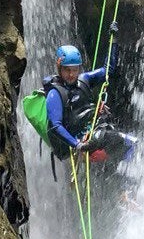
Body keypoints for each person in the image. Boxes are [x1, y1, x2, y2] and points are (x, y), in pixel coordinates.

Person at [44, 22, 137, 166]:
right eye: (67, 70)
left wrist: (113, 41)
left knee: (133, 147)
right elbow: (55, 126)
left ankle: (127, 181)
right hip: (83, 142)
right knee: (127, 144)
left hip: (96, 133)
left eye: (74, 69)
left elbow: (108, 69)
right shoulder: (54, 93)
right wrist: (77, 145)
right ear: (59, 68)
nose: (71, 74)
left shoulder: (84, 80)